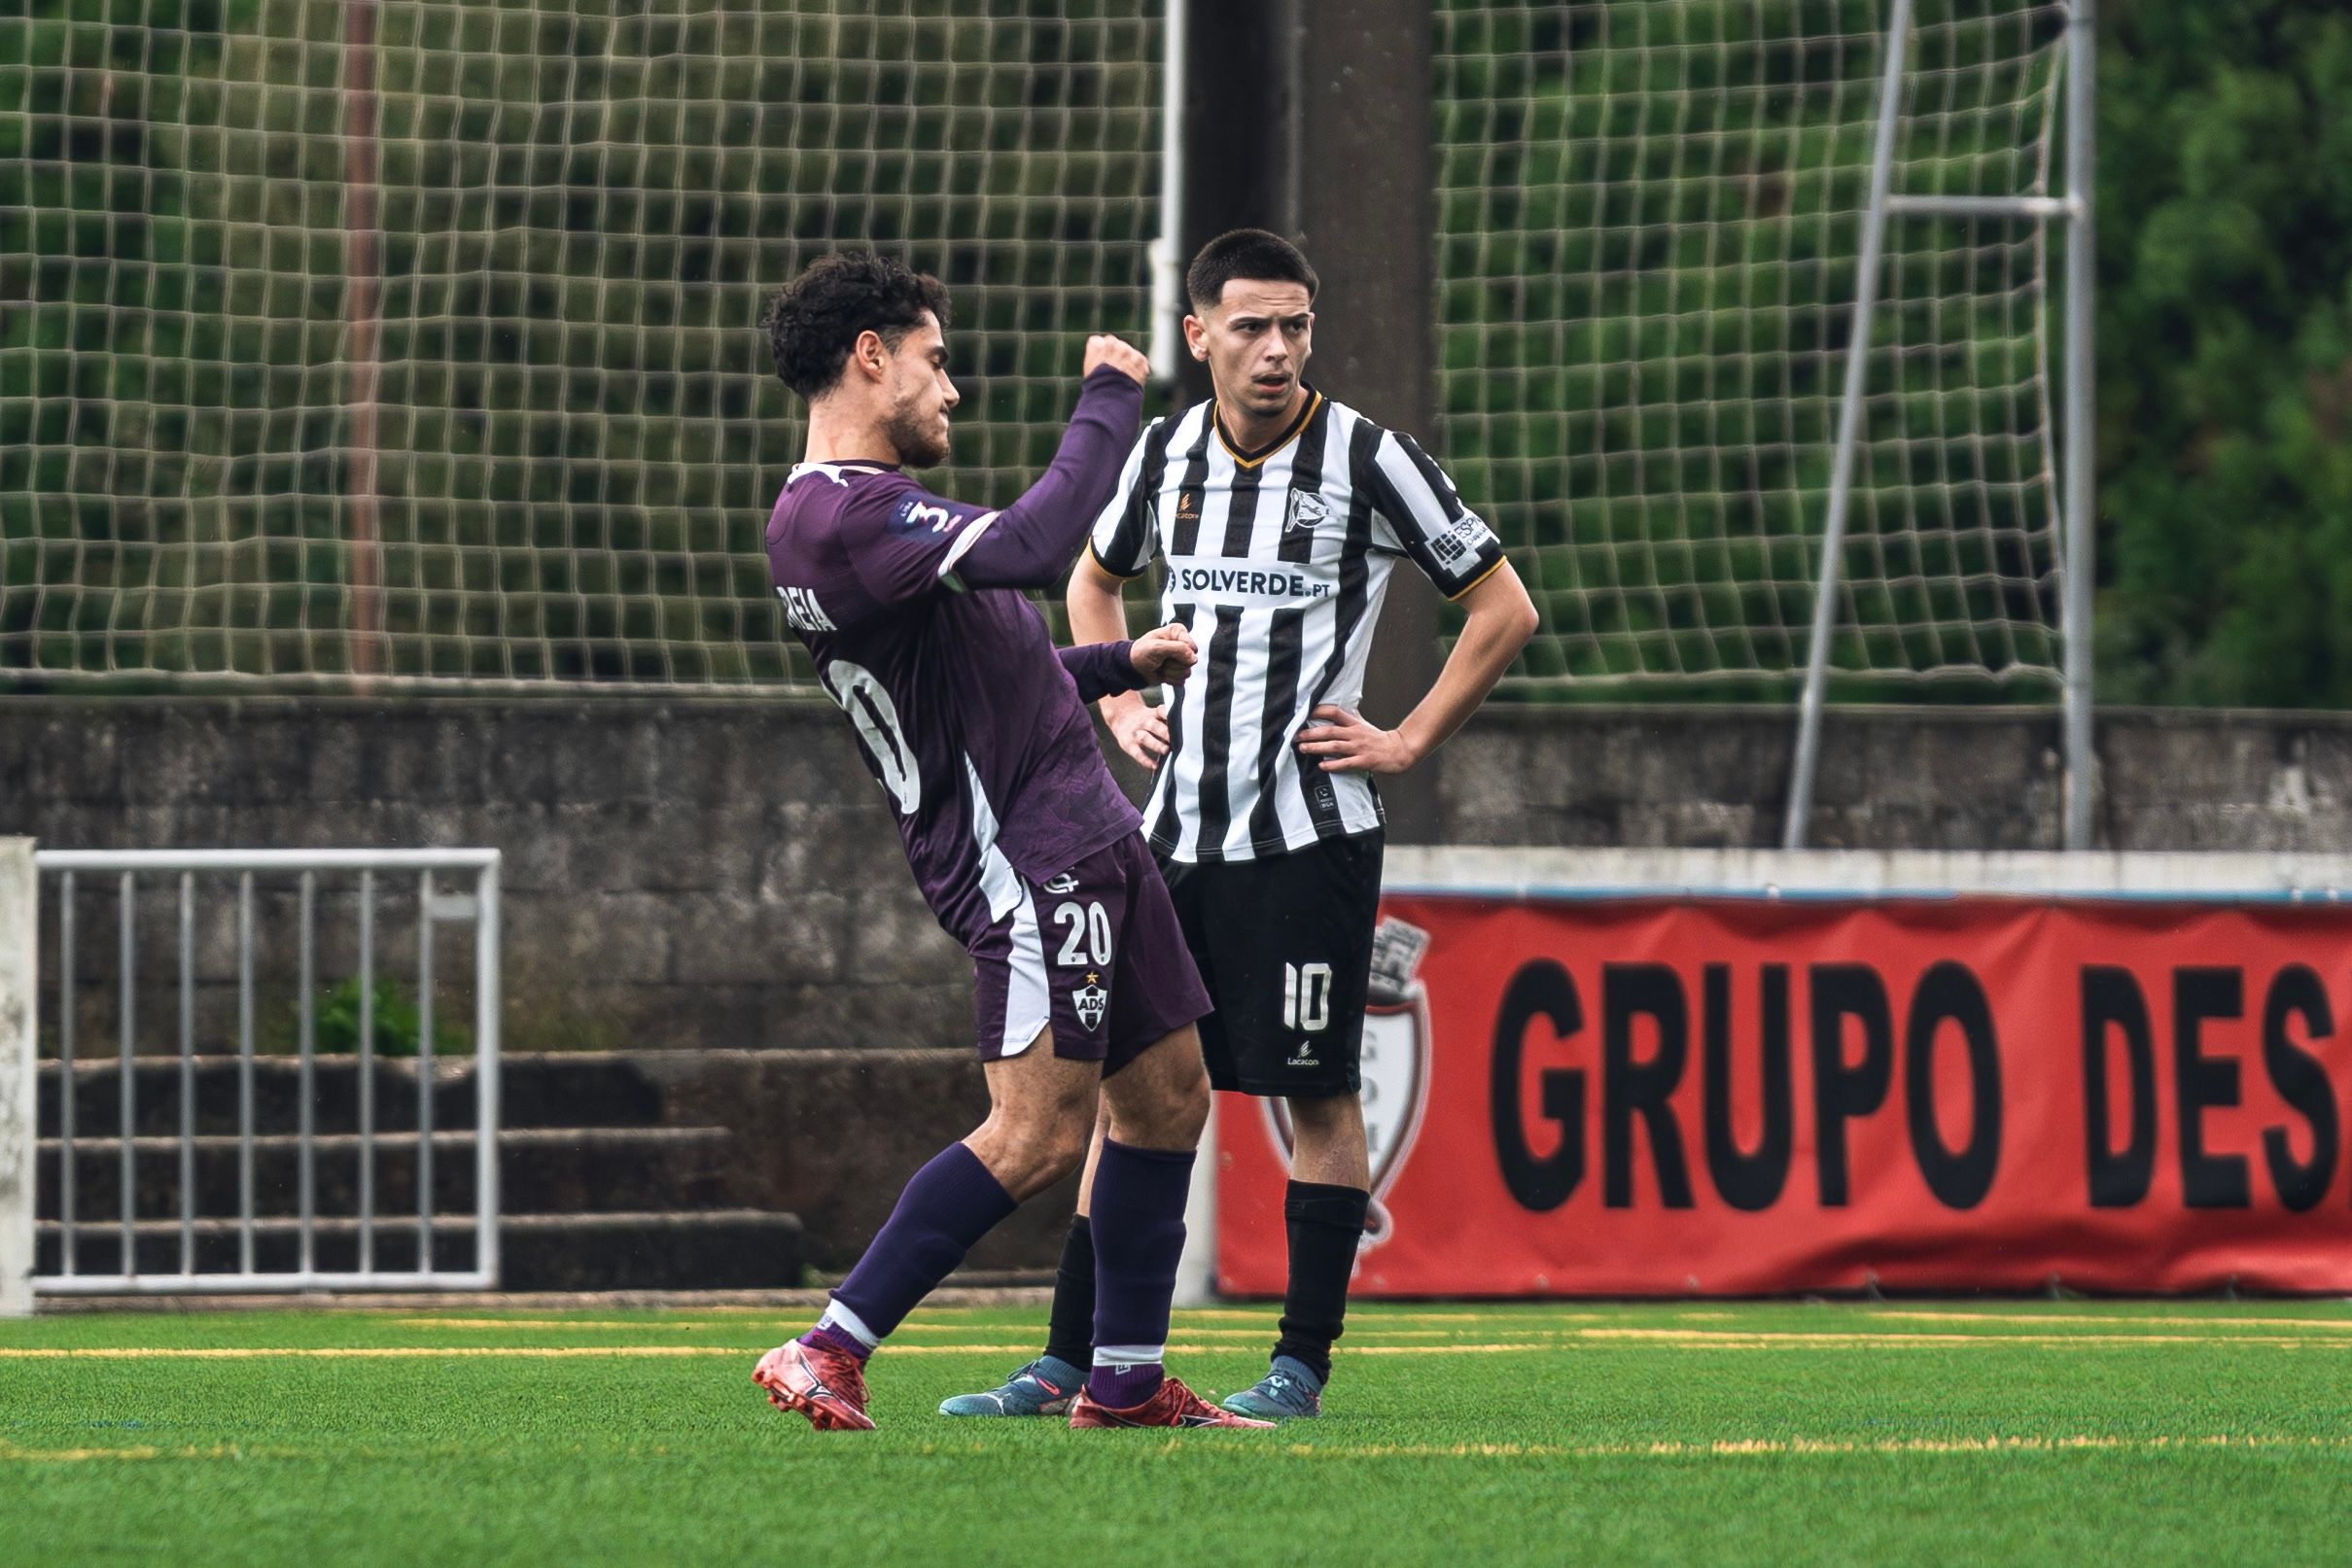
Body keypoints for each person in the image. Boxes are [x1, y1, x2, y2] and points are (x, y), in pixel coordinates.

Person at [943, 228, 1537, 1422]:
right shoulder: (1161, 454)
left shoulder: (1369, 457)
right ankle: (1069, 1359)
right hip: (1166, 841)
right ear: (1197, 333)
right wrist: (1117, 695)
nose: (1277, 350)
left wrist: (1405, 739)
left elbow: (1503, 605)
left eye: (1297, 326)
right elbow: (1092, 579)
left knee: (1311, 1095)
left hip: (1309, 837)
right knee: (1127, 1100)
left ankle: (1297, 1367)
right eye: (1253, 326)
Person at [751, 250, 1271, 1432]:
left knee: (1172, 1095)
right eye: (935, 360)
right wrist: (1108, 394)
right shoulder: (839, 513)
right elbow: (1042, 548)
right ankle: (829, 1343)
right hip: (1027, 855)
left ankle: (1126, 1379)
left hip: (1089, 827)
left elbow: (999, 666)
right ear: (869, 357)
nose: (951, 388)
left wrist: (1114, 664)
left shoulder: (875, 519)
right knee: (1037, 1130)